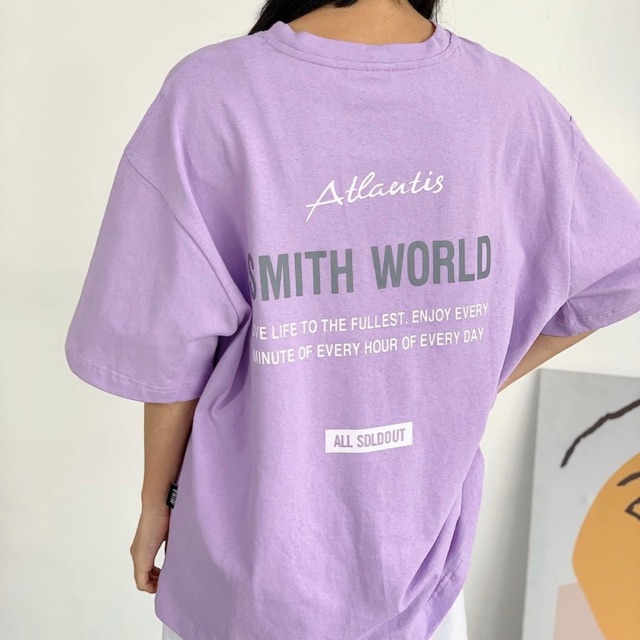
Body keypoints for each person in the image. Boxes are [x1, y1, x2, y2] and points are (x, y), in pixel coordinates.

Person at [63, 0, 640, 638]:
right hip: (422, 578)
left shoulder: (211, 94)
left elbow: (172, 346)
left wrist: (157, 502)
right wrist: (464, 376)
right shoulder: (509, 104)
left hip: (245, 564)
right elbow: (618, 272)